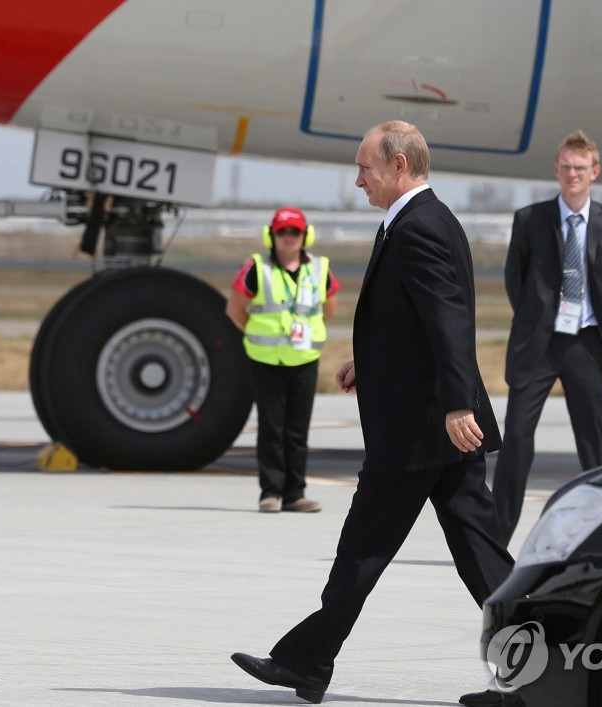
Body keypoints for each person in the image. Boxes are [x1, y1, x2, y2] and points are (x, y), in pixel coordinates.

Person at [231, 121, 514, 705]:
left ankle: (306, 662)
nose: (358, 179)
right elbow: (415, 320)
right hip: (431, 423)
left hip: (421, 429)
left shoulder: (418, 229)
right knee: (482, 558)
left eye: (365, 168)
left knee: (364, 547)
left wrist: (459, 403)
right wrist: (372, 364)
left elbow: (450, 323)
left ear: (399, 166)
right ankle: (546, 670)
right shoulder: (422, 219)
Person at [492, 130, 602, 546]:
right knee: (517, 439)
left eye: (580, 168)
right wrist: (535, 320)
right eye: (566, 167)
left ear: (595, 172)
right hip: (538, 345)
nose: (572, 174)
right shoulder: (529, 219)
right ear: (556, 170)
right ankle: (496, 537)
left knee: (594, 444)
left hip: (588, 344)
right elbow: (513, 279)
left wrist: (592, 318)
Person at [225, 207, 339, 513]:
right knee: (272, 428)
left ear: (306, 236)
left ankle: (295, 494)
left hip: (303, 360)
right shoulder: (257, 267)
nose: (289, 238)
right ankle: (271, 492)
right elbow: (235, 309)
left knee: (297, 430)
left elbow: (329, 309)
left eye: (295, 232)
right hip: (266, 360)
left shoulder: (319, 268)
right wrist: (256, 334)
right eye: (282, 232)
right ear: (271, 235)